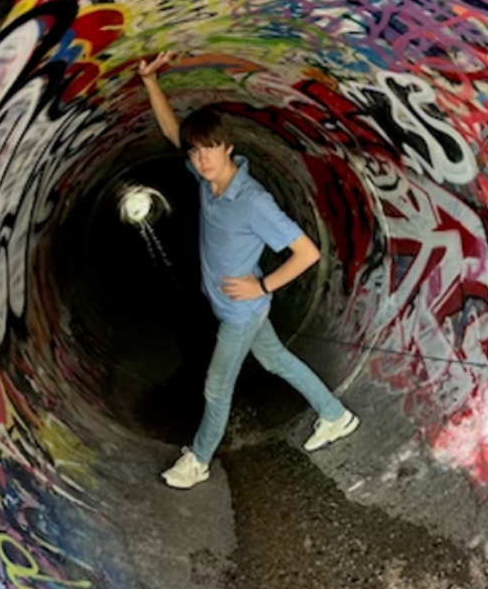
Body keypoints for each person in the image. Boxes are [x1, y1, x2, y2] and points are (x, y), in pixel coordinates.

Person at [138, 51, 360, 489]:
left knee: (216, 388)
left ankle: (197, 460)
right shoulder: (207, 181)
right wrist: (150, 81)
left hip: (243, 312)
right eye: (197, 151)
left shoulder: (254, 201)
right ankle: (336, 416)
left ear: (230, 147)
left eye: (211, 150)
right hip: (233, 308)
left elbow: (306, 252)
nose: (202, 159)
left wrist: (262, 283)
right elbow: (171, 130)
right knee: (277, 360)